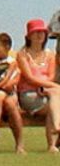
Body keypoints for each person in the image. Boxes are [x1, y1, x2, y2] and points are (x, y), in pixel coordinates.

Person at [14, 20, 59, 152]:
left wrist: (46, 87)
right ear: (28, 36)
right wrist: (49, 86)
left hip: (46, 91)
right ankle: (53, 141)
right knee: (55, 99)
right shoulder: (23, 55)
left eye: (42, 32)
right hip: (28, 94)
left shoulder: (50, 55)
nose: (39, 35)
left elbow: (51, 75)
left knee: (54, 99)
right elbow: (29, 77)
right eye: (36, 32)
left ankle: (53, 141)